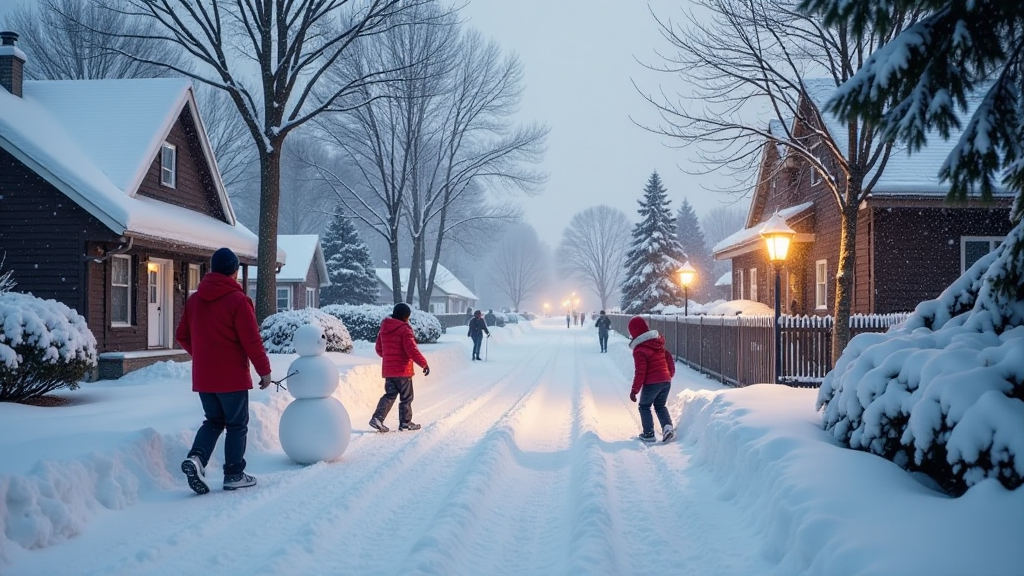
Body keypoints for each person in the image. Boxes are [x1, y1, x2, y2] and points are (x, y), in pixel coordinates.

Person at [176, 247, 272, 494]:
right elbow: (251, 340)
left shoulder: (195, 300)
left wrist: (203, 355)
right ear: (235, 271)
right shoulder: (238, 300)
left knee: (214, 421)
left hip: (205, 377)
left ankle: (196, 458)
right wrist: (264, 370)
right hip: (232, 377)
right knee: (237, 425)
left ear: (212, 269)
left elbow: (181, 335)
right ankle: (234, 474)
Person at [369, 303, 430, 433]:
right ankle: (405, 422)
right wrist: (423, 363)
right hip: (403, 370)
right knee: (406, 398)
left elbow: (379, 349)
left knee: (390, 395)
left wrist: (390, 359)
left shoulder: (384, 329)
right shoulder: (405, 329)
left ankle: (377, 418)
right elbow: (412, 350)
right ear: (405, 316)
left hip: (389, 371)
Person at [627, 316, 675, 443]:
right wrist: (669, 375)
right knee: (660, 405)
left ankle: (648, 433)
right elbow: (669, 358)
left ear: (634, 332)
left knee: (644, 406)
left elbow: (640, 372)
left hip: (652, 383)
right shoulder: (657, 343)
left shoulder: (639, 350)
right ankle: (667, 427)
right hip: (666, 381)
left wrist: (634, 390)